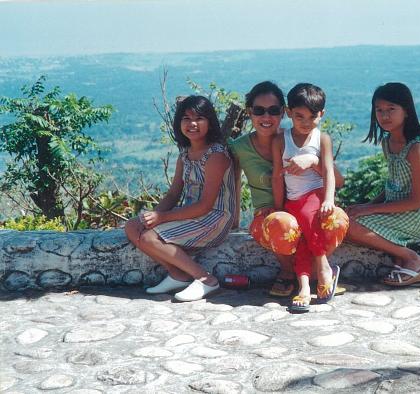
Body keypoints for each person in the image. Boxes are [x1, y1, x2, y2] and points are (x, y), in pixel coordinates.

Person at [229, 81, 344, 298]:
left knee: (335, 218)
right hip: (271, 215)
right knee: (284, 223)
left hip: (309, 201)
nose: (266, 117)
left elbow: (338, 180)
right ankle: (293, 271)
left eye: (273, 110)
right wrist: (235, 220)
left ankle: (310, 273)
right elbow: (233, 185)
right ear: (249, 112)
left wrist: (312, 161)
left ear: (283, 112)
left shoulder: (309, 138)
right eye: (258, 111)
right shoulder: (240, 148)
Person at [125, 95, 236, 301]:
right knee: (133, 227)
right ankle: (178, 275)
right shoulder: (184, 155)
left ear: (209, 122)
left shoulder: (216, 156)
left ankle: (206, 280)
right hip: (190, 215)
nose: (192, 124)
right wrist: (154, 216)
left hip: (214, 218)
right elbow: (174, 193)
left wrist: (163, 219)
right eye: (186, 118)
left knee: (151, 238)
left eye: (199, 118)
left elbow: (205, 205)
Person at [345, 82, 420, 286]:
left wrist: (370, 211)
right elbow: (392, 187)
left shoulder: (417, 148)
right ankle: (399, 256)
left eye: (391, 109)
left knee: (349, 226)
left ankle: (413, 259)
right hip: (394, 210)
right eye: (380, 110)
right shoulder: (388, 142)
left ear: (407, 111)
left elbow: (417, 201)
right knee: (342, 221)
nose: (384, 116)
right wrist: (365, 206)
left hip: (414, 216)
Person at [272, 82, 342, 312]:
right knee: (302, 239)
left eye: (312, 117)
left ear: (321, 114)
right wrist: (278, 206)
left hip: (315, 195)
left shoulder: (322, 139)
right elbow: (277, 176)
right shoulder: (281, 140)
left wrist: (329, 200)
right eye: (299, 116)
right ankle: (313, 279)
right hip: (293, 199)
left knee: (307, 215)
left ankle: (313, 277)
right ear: (289, 112)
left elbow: (329, 172)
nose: (306, 122)